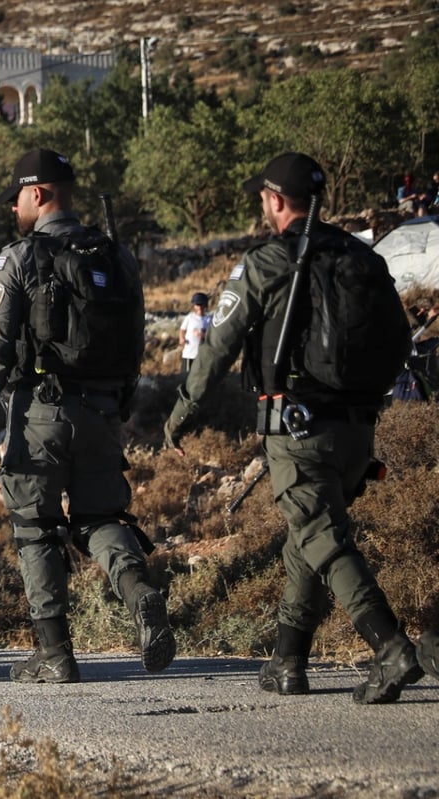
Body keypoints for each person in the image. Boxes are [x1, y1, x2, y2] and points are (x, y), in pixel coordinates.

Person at [164, 152, 425, 704]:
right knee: (305, 542)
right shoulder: (362, 256)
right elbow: (401, 339)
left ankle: (390, 646)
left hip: (296, 428)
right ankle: (289, 660)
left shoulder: (266, 260)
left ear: (275, 201)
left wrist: (182, 414)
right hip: (357, 429)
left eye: (263, 198)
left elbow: (218, 347)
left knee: (323, 539)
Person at [0, 149, 176, 684]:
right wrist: (120, 401)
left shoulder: (19, 257)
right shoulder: (116, 256)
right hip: (103, 410)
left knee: (34, 527)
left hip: (40, 413)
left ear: (38, 193)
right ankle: (139, 591)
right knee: (101, 518)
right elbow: (135, 338)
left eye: (16, 198)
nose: (13, 209)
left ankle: (55, 651)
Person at [179, 292, 211, 373]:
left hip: (203, 354)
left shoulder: (209, 319)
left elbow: (212, 334)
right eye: (197, 305)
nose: (200, 307)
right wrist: (182, 338)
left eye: (202, 305)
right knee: (186, 376)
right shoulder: (190, 317)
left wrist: (203, 334)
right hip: (190, 353)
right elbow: (182, 329)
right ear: (194, 306)